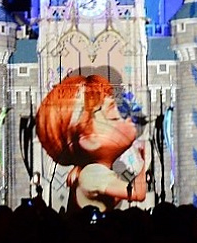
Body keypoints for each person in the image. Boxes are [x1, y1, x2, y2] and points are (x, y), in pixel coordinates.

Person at [35, 73, 147, 212]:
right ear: (90, 140)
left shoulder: (92, 172)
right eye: (112, 115)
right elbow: (137, 194)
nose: (123, 114)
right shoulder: (92, 174)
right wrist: (144, 161)